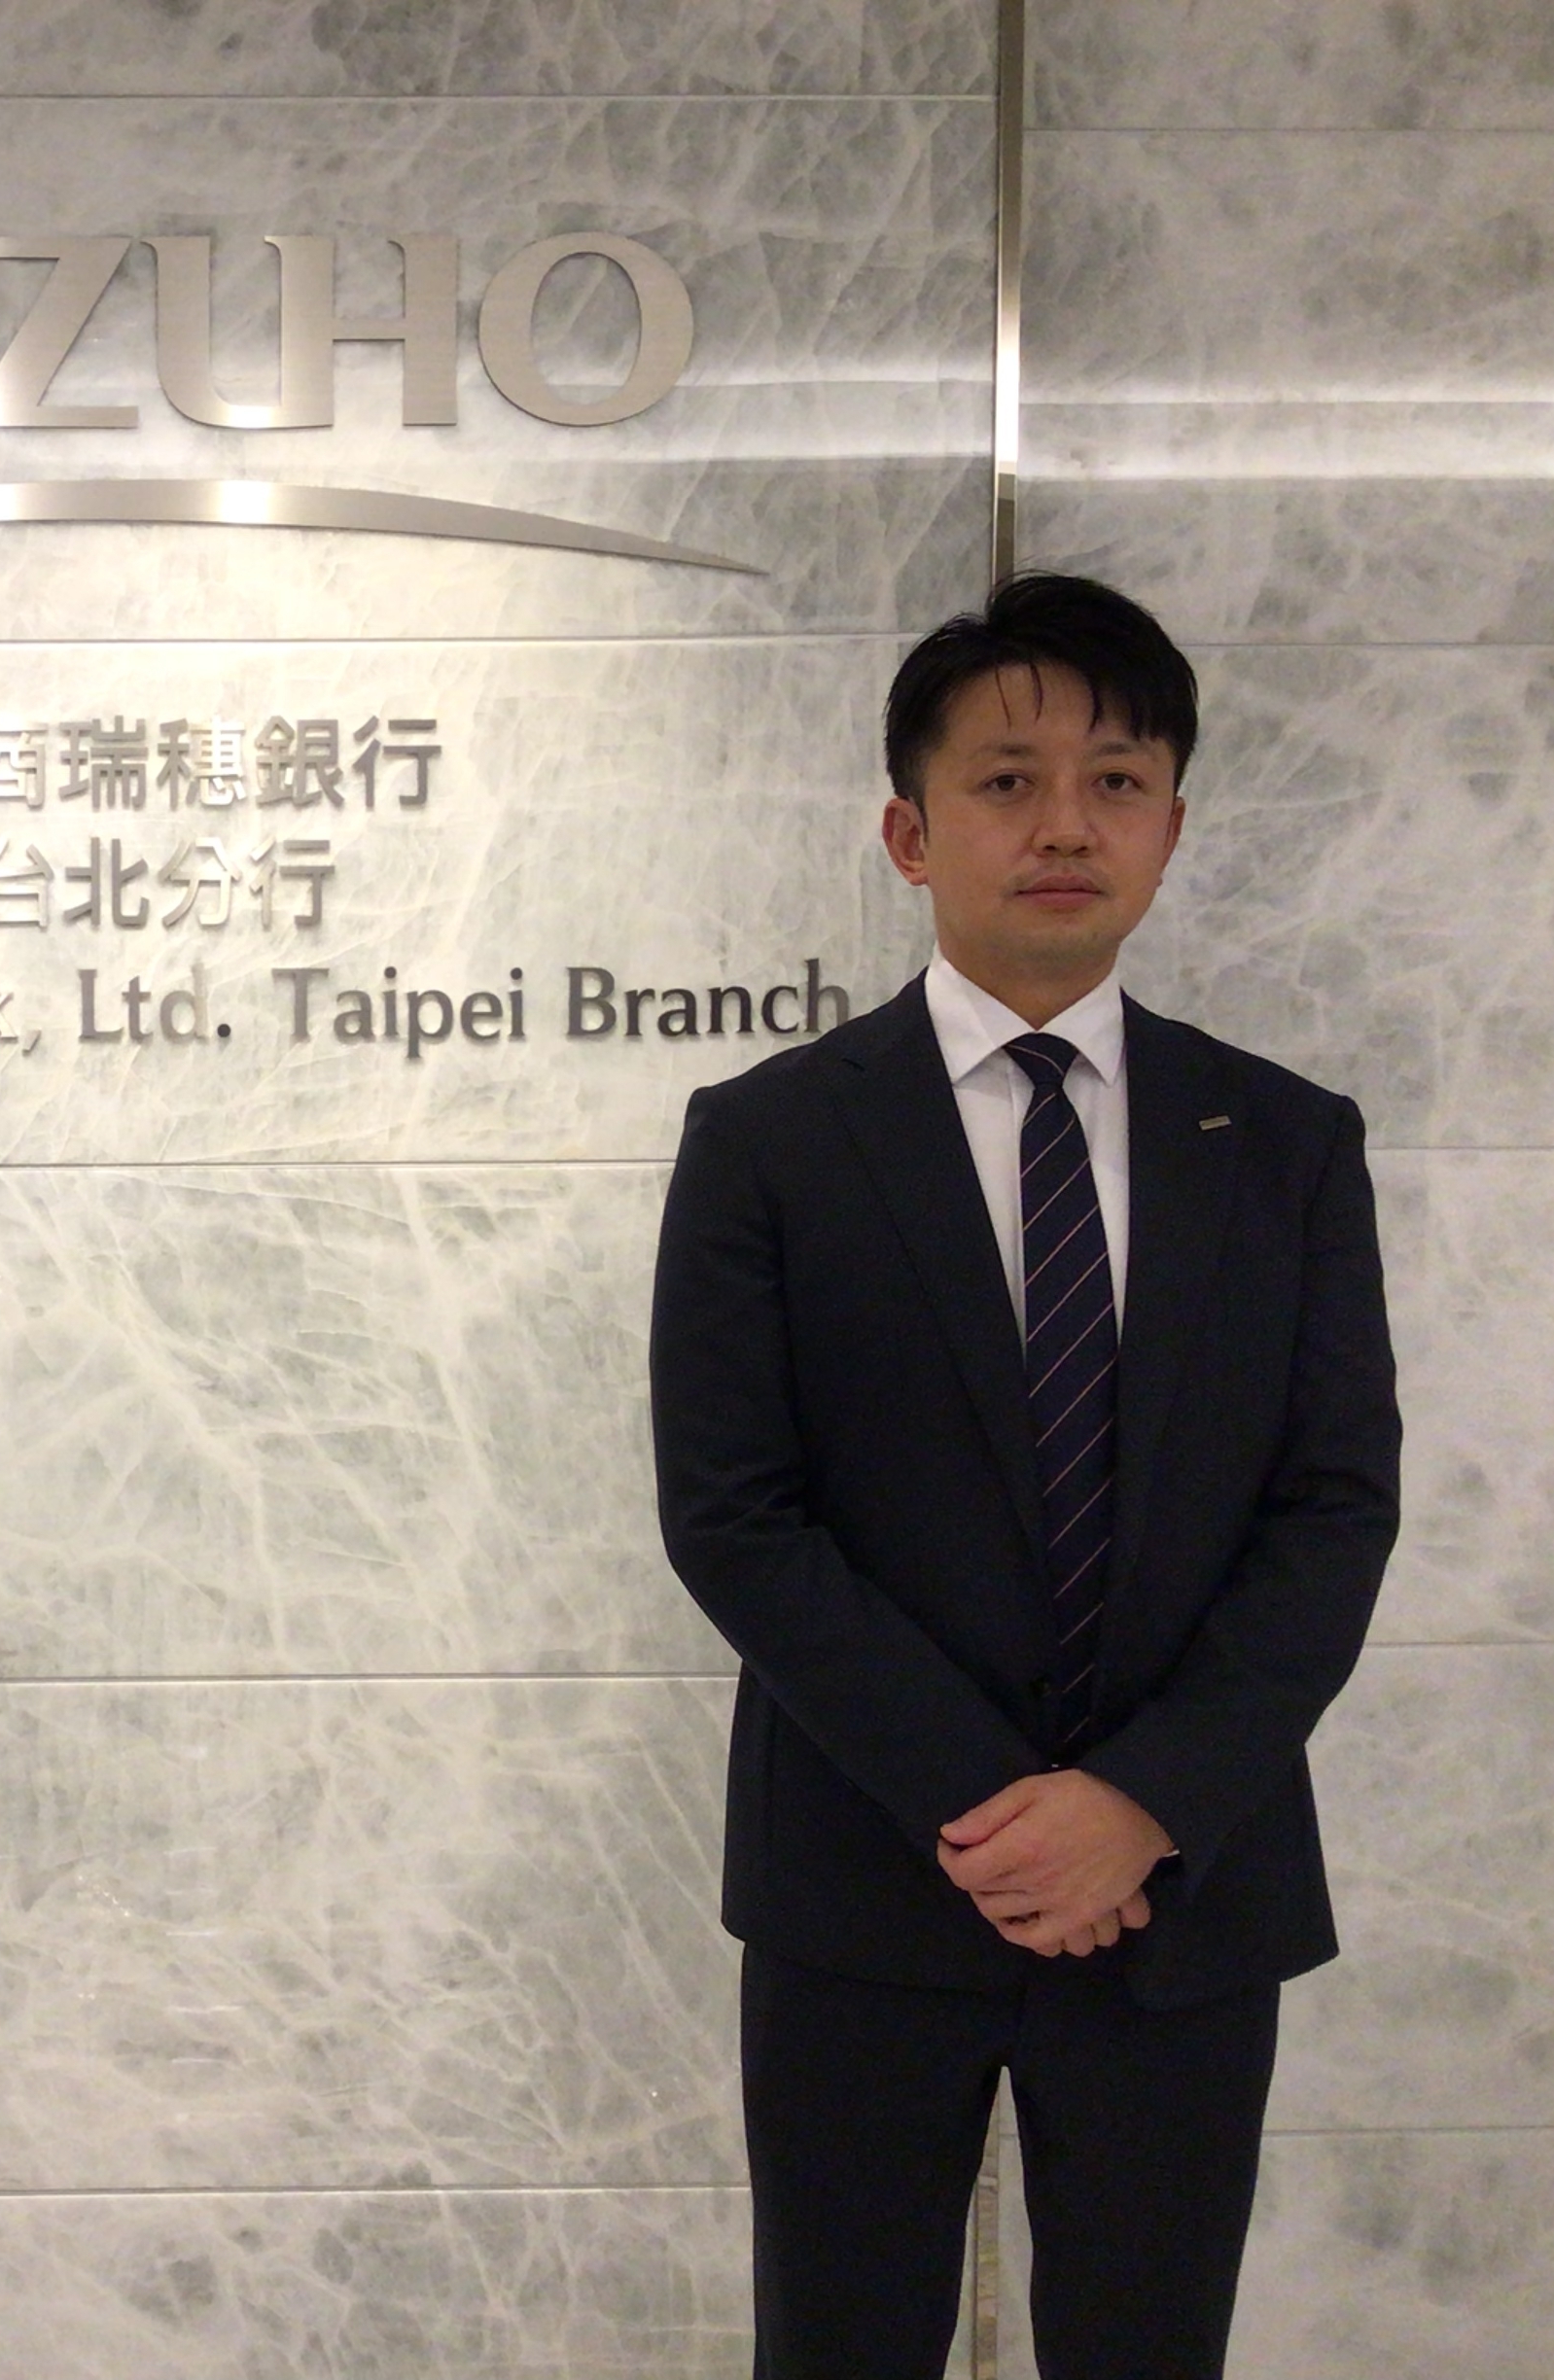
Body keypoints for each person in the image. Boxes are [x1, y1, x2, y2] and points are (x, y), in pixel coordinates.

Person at [648, 572, 1400, 2379]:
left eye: (1117, 782)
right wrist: (1001, 1813)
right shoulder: (772, 1139)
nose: (1066, 825)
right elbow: (735, 1515)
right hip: (865, 1876)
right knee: (842, 2346)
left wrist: (1139, 1803)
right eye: (1007, 782)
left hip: (1180, 1888)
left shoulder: (1285, 1142)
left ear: (1172, 829)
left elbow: (1333, 1510)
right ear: (910, 834)